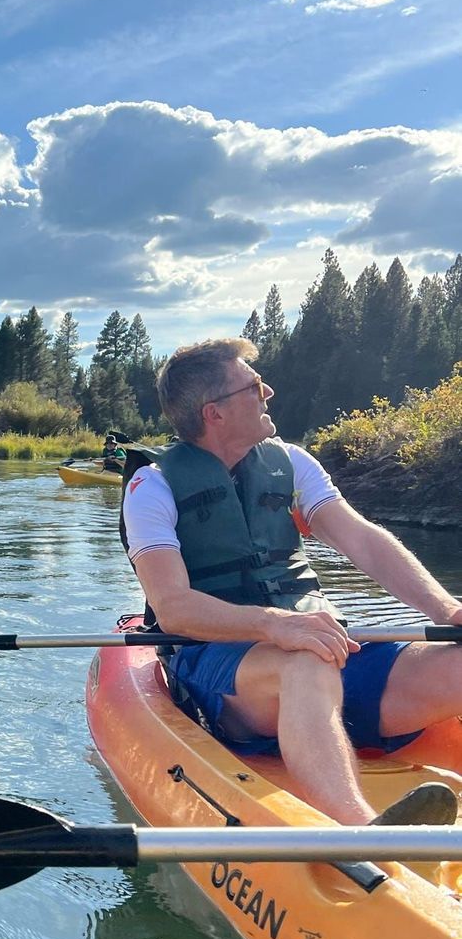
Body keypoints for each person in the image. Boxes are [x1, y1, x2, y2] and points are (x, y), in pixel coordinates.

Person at [121, 336, 462, 826]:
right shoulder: (150, 486)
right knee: (304, 665)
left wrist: (447, 611)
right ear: (214, 412)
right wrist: (274, 624)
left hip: (323, 647)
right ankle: (361, 831)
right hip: (228, 674)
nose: (269, 392)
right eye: (255, 385)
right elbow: (173, 607)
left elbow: (363, 542)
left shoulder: (292, 463)